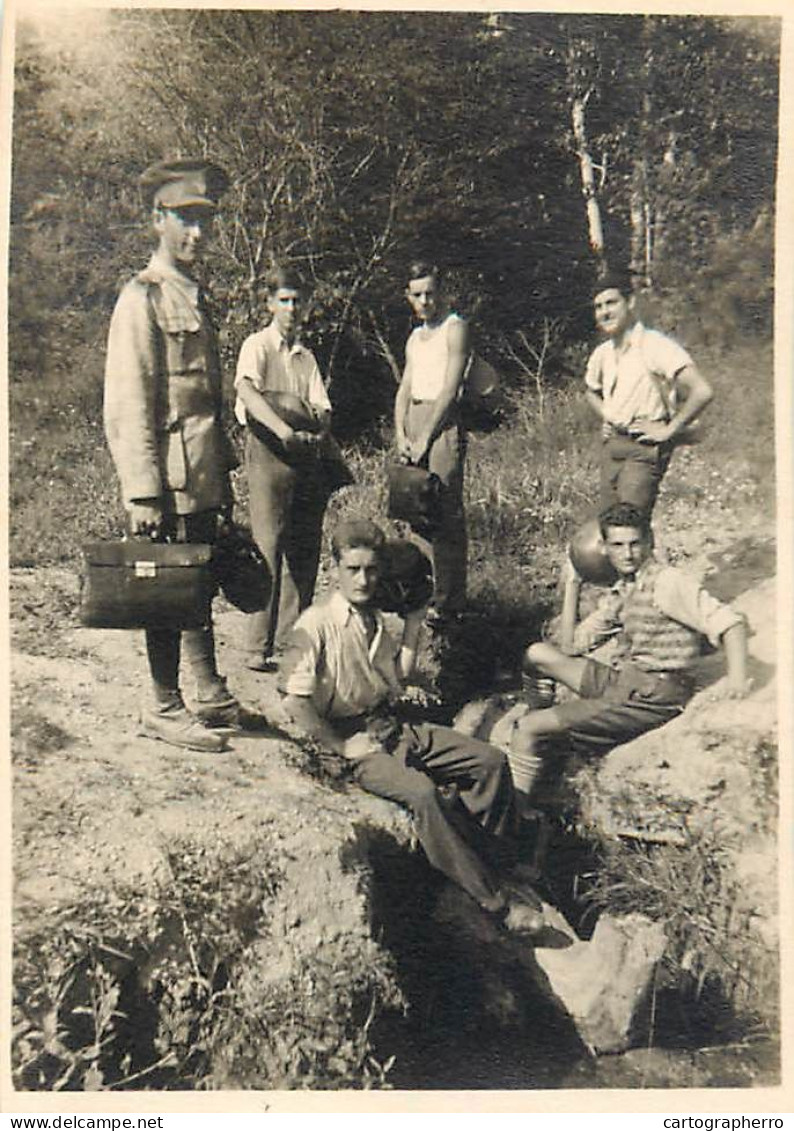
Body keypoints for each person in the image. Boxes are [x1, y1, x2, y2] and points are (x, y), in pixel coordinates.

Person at [278, 518, 543, 935]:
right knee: (422, 794)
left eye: (370, 570)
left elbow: (397, 677)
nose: (363, 580)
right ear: (334, 570)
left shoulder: (373, 621)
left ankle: (494, 859)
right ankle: (494, 902)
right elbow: (294, 701)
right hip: (352, 738)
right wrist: (342, 747)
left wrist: (416, 623)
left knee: (490, 761)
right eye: (353, 569)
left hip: (391, 724)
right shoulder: (315, 625)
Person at [104, 158, 239, 753]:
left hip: (203, 472)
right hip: (167, 478)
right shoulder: (143, 297)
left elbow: (206, 397)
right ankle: (163, 704)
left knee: (198, 581)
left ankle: (206, 688)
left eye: (203, 221)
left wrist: (225, 475)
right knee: (164, 586)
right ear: (157, 219)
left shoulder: (193, 296)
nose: (197, 234)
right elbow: (129, 398)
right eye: (184, 219)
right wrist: (141, 491)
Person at [509, 503, 750, 805]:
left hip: (656, 697)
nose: (628, 553)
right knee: (538, 654)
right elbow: (570, 646)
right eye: (618, 545)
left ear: (650, 543)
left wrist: (737, 681)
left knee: (528, 729)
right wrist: (573, 584)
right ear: (606, 549)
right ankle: (542, 735)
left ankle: (515, 820)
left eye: (635, 544)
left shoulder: (667, 582)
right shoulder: (625, 588)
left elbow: (730, 623)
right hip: (628, 684)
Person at [234, 267, 333, 672]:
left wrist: (315, 431)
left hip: (302, 452)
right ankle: (257, 646)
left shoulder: (305, 356)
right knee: (267, 545)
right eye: (284, 300)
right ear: (270, 303)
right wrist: (282, 427)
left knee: (304, 547)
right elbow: (246, 391)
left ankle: (290, 641)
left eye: (297, 301)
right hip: (267, 449)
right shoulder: (257, 345)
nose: (291, 308)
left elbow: (322, 406)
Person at [584, 266, 714, 516]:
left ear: (630, 302)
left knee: (630, 525)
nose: (604, 312)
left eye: (611, 303)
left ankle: (646, 555)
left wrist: (668, 430)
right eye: (598, 307)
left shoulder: (655, 345)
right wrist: (608, 415)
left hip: (644, 449)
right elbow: (590, 392)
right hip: (612, 445)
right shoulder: (603, 353)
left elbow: (702, 390)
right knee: (609, 527)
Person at [394, 262, 468, 621]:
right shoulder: (414, 338)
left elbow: (450, 390)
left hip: (442, 426)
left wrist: (425, 437)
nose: (425, 301)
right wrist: (401, 432)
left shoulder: (454, 328)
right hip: (415, 422)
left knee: (445, 514)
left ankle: (450, 604)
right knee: (416, 513)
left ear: (441, 293)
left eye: (430, 293)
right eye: (418, 295)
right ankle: (421, 595)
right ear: (409, 298)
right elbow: (405, 389)